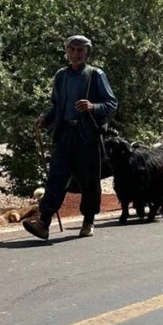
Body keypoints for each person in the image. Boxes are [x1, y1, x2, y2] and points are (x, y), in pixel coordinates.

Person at [23, 35, 118, 240]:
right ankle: (44, 222)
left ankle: (88, 220)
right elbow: (57, 105)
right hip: (65, 135)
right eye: (72, 49)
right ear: (66, 51)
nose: (76, 53)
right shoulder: (61, 76)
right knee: (56, 179)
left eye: (80, 50)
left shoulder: (95, 75)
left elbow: (111, 104)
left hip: (88, 137)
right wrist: (45, 119)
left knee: (89, 181)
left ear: (87, 53)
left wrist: (93, 106)